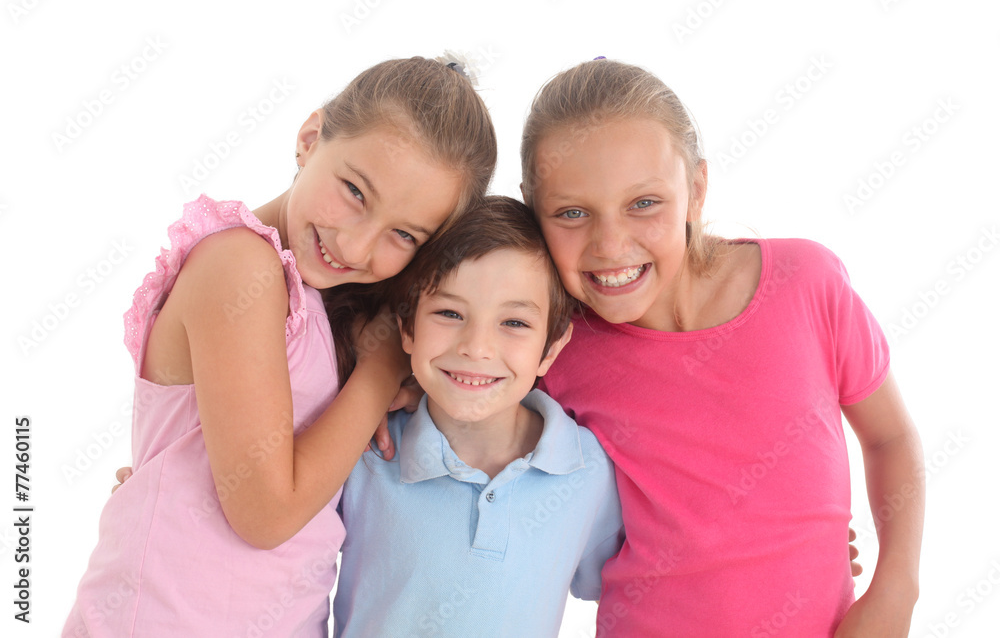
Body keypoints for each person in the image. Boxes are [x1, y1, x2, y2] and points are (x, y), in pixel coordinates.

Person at [62, 55, 497, 638]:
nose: (356, 242)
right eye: (354, 191)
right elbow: (264, 513)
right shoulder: (241, 267)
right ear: (310, 138)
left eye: (403, 234)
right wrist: (380, 371)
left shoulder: (315, 300)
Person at [517, 58, 925, 637]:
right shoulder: (551, 348)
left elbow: (890, 436)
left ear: (697, 189)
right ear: (534, 214)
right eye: (572, 213)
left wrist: (896, 589)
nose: (610, 244)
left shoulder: (805, 283)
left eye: (644, 203)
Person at [331, 196, 623, 637]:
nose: (477, 347)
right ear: (407, 328)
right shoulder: (364, 454)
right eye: (450, 313)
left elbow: (626, 590)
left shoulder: (589, 471)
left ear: (553, 346)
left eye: (515, 323)